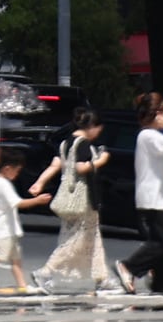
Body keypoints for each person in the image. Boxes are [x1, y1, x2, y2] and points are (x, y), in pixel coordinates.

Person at [29, 108, 112, 293]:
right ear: (92, 126)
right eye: (98, 129)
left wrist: (39, 183)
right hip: (83, 198)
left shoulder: (66, 143)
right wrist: (101, 160)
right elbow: (81, 168)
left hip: (73, 199)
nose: (98, 133)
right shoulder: (83, 144)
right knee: (78, 239)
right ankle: (45, 272)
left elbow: (55, 165)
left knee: (91, 238)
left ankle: (102, 278)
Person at [114, 92, 163, 295]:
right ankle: (129, 266)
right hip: (153, 198)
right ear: (156, 113)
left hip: (158, 196)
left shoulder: (150, 136)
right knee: (161, 242)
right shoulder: (148, 135)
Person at [0, 149, 50, 297]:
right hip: (4, 230)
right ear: (7, 168)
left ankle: (22, 286)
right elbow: (17, 203)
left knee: (16, 260)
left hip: (6, 228)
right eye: (17, 170)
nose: (17, 174)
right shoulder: (3, 185)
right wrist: (37, 201)